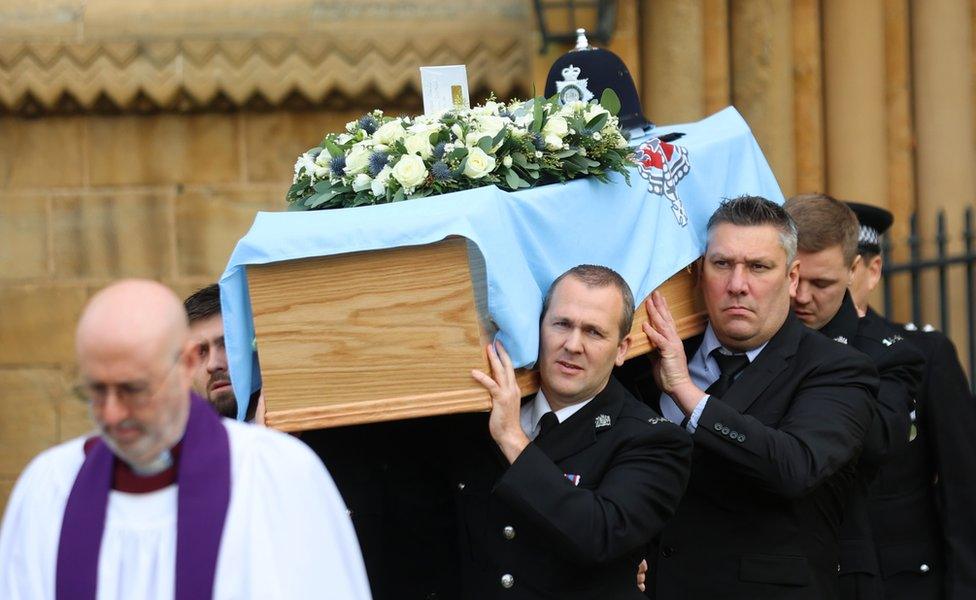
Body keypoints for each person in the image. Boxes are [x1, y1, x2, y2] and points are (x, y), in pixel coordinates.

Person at [0, 279, 371, 600]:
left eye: (134, 389)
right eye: (97, 391)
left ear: (186, 365)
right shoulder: (49, 487)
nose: (112, 414)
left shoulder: (277, 472)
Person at [617, 195, 879, 599]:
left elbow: (793, 466)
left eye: (758, 267)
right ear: (700, 272)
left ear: (792, 278)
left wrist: (686, 393)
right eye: (722, 264)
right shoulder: (643, 361)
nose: (737, 284)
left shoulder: (838, 369)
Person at [453, 264, 693, 599]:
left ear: (622, 348)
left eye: (594, 332)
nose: (573, 344)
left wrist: (512, 439)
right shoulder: (475, 415)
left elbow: (600, 534)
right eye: (562, 324)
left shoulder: (655, 440)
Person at [785, 194, 924, 600]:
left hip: (834, 569)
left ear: (854, 270)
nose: (802, 297)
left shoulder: (888, 354)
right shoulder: (739, 340)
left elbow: (881, 442)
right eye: (794, 278)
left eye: (822, 283)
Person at [848, 201, 976, 599]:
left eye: (841, 270)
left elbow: (963, 489)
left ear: (871, 271)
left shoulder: (923, 353)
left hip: (904, 583)